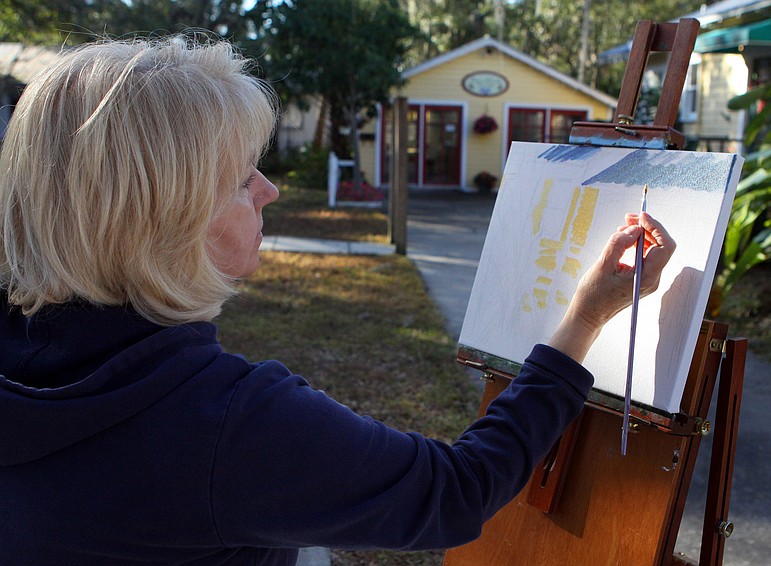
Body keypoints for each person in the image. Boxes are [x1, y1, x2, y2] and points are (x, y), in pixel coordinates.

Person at [0, 36, 675, 565]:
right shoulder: (225, 424)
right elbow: (455, 492)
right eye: (240, 179)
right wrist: (583, 319)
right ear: (164, 219)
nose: (268, 189)